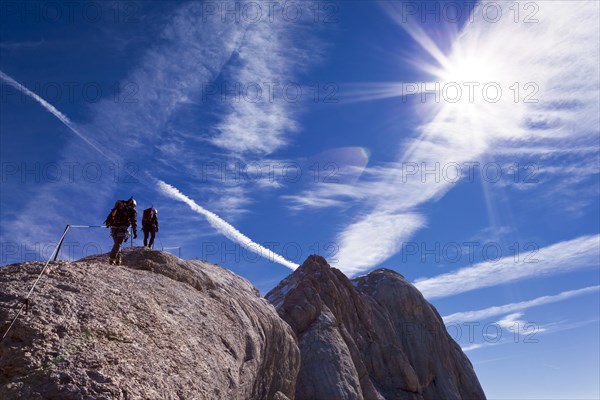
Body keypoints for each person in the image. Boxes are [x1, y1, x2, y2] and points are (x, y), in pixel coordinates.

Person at [105, 197, 137, 265]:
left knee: (117, 244)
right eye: (134, 206)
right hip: (122, 229)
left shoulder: (117, 209)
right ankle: (112, 258)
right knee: (118, 244)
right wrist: (135, 232)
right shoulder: (131, 210)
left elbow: (110, 216)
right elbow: (133, 222)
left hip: (113, 229)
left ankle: (118, 260)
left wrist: (108, 223)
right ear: (133, 205)